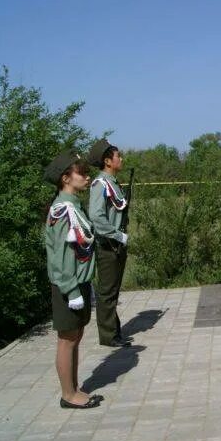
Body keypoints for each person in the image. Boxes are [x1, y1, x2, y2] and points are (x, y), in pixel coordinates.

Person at [44, 149, 103, 409]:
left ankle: (74, 388)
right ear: (65, 178)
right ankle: (68, 395)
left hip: (78, 282)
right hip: (68, 285)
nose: (86, 176)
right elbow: (59, 257)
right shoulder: (62, 210)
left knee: (75, 336)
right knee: (67, 339)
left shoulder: (73, 206)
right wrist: (71, 289)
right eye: (81, 172)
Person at [87, 138, 131, 348]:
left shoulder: (112, 183)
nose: (120, 159)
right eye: (117, 156)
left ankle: (114, 330)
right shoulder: (100, 184)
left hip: (117, 245)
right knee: (106, 292)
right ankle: (108, 335)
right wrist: (115, 234)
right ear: (107, 161)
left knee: (113, 291)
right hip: (108, 246)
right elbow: (96, 216)